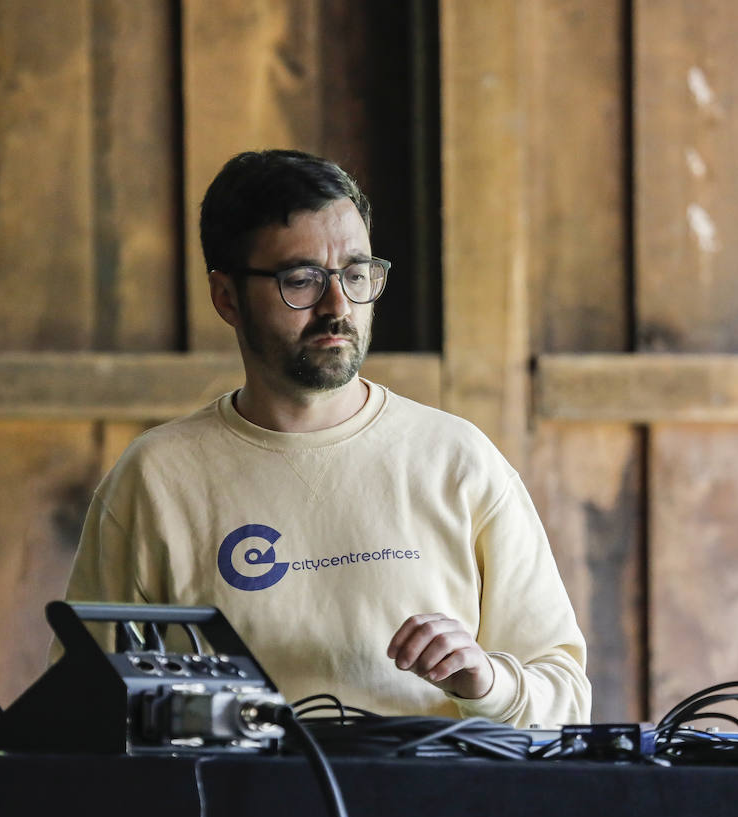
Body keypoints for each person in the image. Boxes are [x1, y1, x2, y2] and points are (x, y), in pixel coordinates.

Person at [65, 149, 590, 727]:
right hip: (234, 813)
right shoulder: (157, 479)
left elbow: (566, 699)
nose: (339, 307)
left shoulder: (457, 461)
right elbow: (84, 712)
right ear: (226, 298)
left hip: (436, 809)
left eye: (357, 274)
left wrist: (487, 683)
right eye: (301, 280)